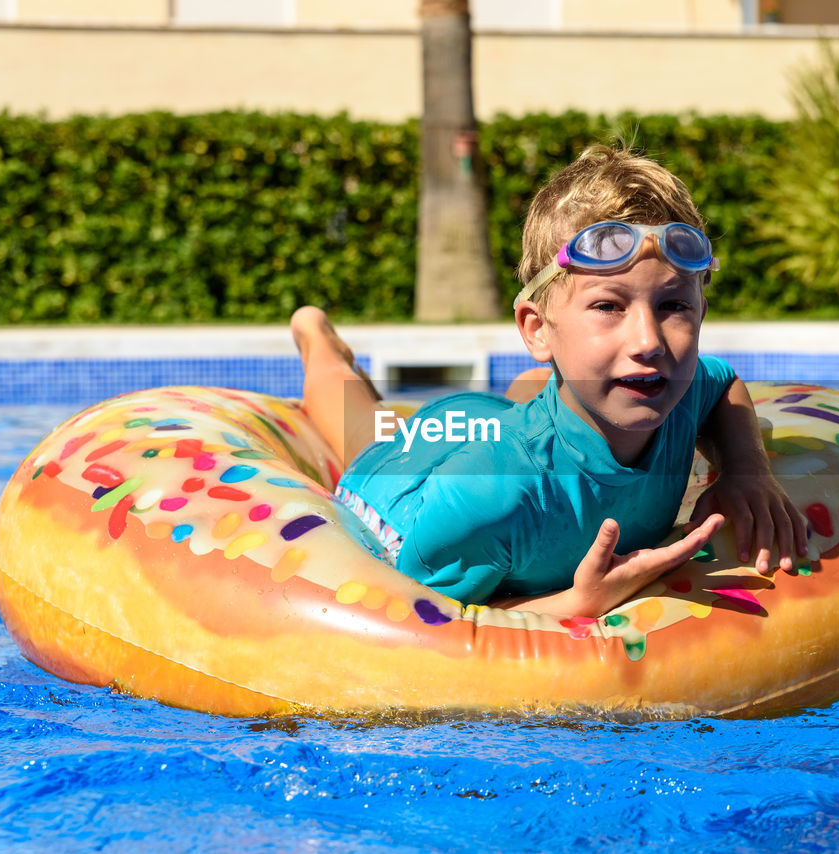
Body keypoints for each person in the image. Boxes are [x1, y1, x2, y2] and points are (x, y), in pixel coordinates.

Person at [290, 145, 807, 618]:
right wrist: (575, 602)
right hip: (407, 477)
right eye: (608, 305)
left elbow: (723, 382)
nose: (649, 341)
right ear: (536, 330)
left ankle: (545, 380)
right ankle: (318, 338)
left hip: (506, 426)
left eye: (674, 305)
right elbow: (422, 622)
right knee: (357, 427)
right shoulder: (486, 500)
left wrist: (746, 469)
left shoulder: (676, 387)